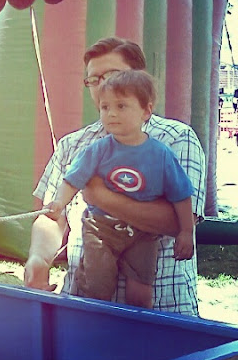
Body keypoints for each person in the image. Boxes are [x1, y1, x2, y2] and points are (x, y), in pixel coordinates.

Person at [24, 37, 205, 316]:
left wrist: (101, 197)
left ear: (139, 79)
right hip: (85, 309)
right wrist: (38, 258)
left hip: (162, 313)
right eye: (93, 80)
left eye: (111, 75)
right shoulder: (72, 144)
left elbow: (178, 222)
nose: (101, 86)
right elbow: (52, 216)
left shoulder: (177, 139)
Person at [45, 70, 194, 307]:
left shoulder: (162, 154)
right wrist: (58, 202)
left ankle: (136, 325)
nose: (111, 113)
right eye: (105, 107)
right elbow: (72, 180)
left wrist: (186, 231)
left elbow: (181, 195)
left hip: (142, 233)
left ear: (146, 111)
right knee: (97, 284)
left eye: (121, 106)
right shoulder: (98, 149)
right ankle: (94, 318)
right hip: (100, 228)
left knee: (141, 292)